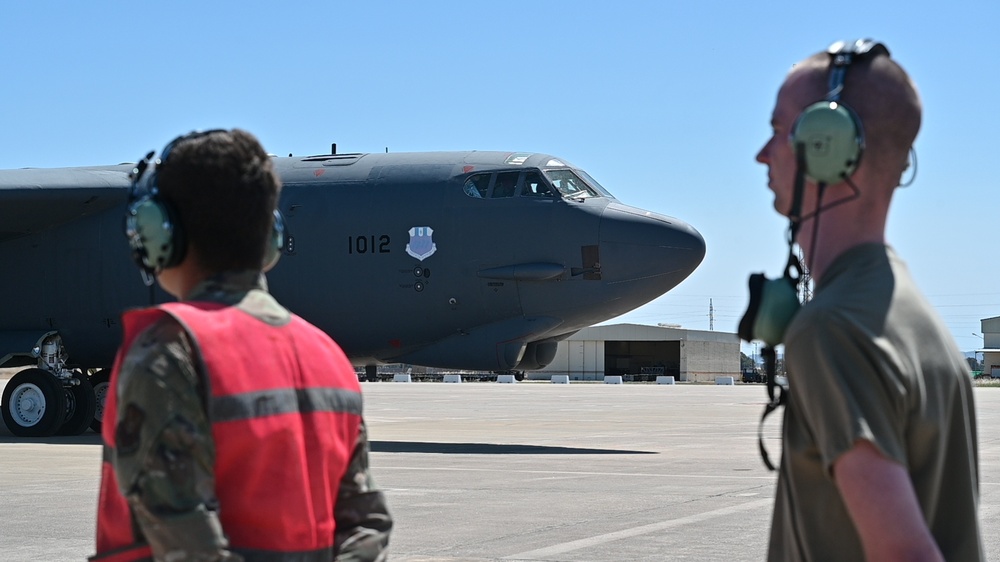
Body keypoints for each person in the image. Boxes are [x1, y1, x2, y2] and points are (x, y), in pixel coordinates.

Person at [92, 129, 392, 561]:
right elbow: (366, 522)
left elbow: (182, 535)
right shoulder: (328, 356)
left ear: (161, 230)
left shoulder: (169, 353)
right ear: (271, 236)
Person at [754, 40, 983, 560]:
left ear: (826, 146)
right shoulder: (918, 319)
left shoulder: (832, 330)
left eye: (777, 131)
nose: (762, 154)